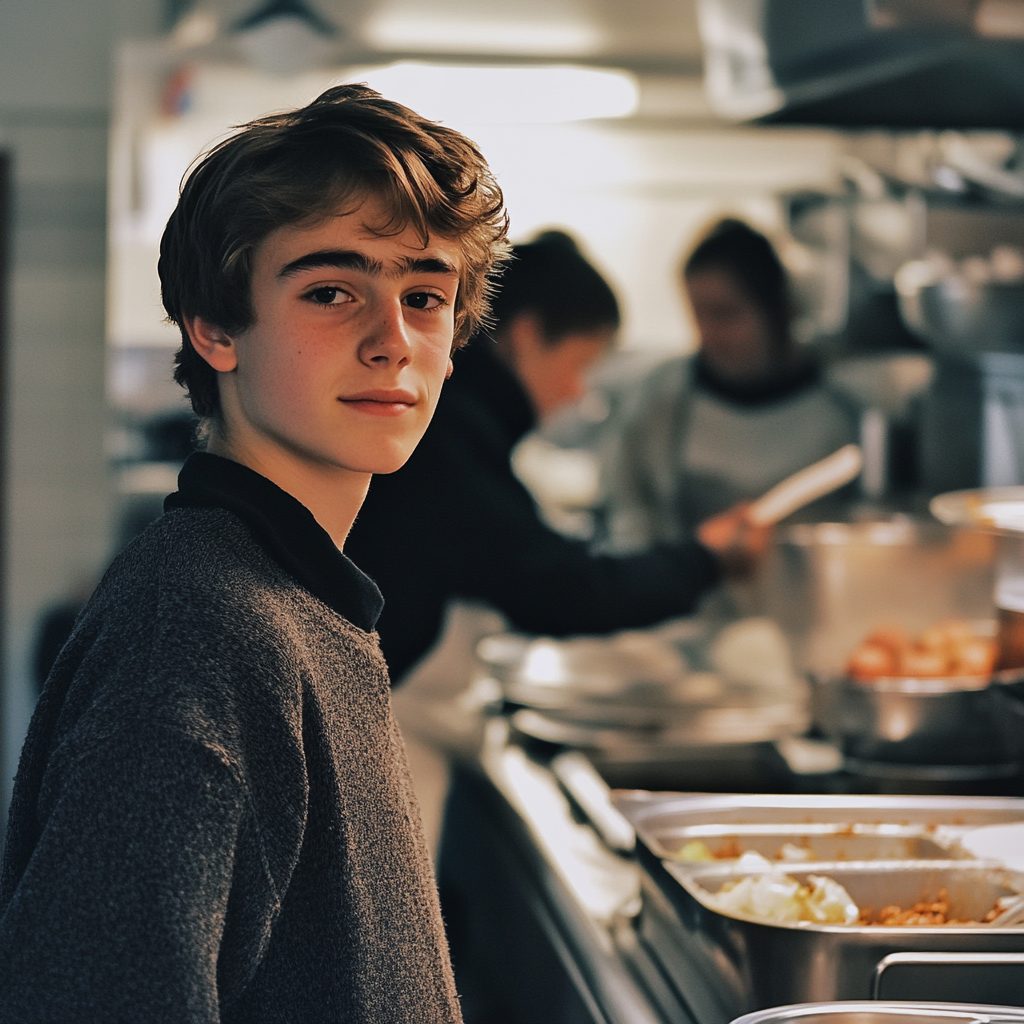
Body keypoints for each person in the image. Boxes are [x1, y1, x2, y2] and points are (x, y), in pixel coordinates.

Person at [0, 84, 508, 1022]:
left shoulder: (293, 597)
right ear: (216, 327)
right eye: (330, 291)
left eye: (426, 296)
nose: (392, 341)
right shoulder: (198, 632)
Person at [344, 230, 767, 684]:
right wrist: (705, 558)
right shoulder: (448, 435)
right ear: (525, 337)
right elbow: (559, 588)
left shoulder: (461, 421)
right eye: (579, 365)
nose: (577, 391)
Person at [562, 219, 855, 551]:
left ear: (774, 310)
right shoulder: (660, 397)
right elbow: (627, 508)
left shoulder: (836, 410)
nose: (709, 334)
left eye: (725, 314)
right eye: (698, 315)